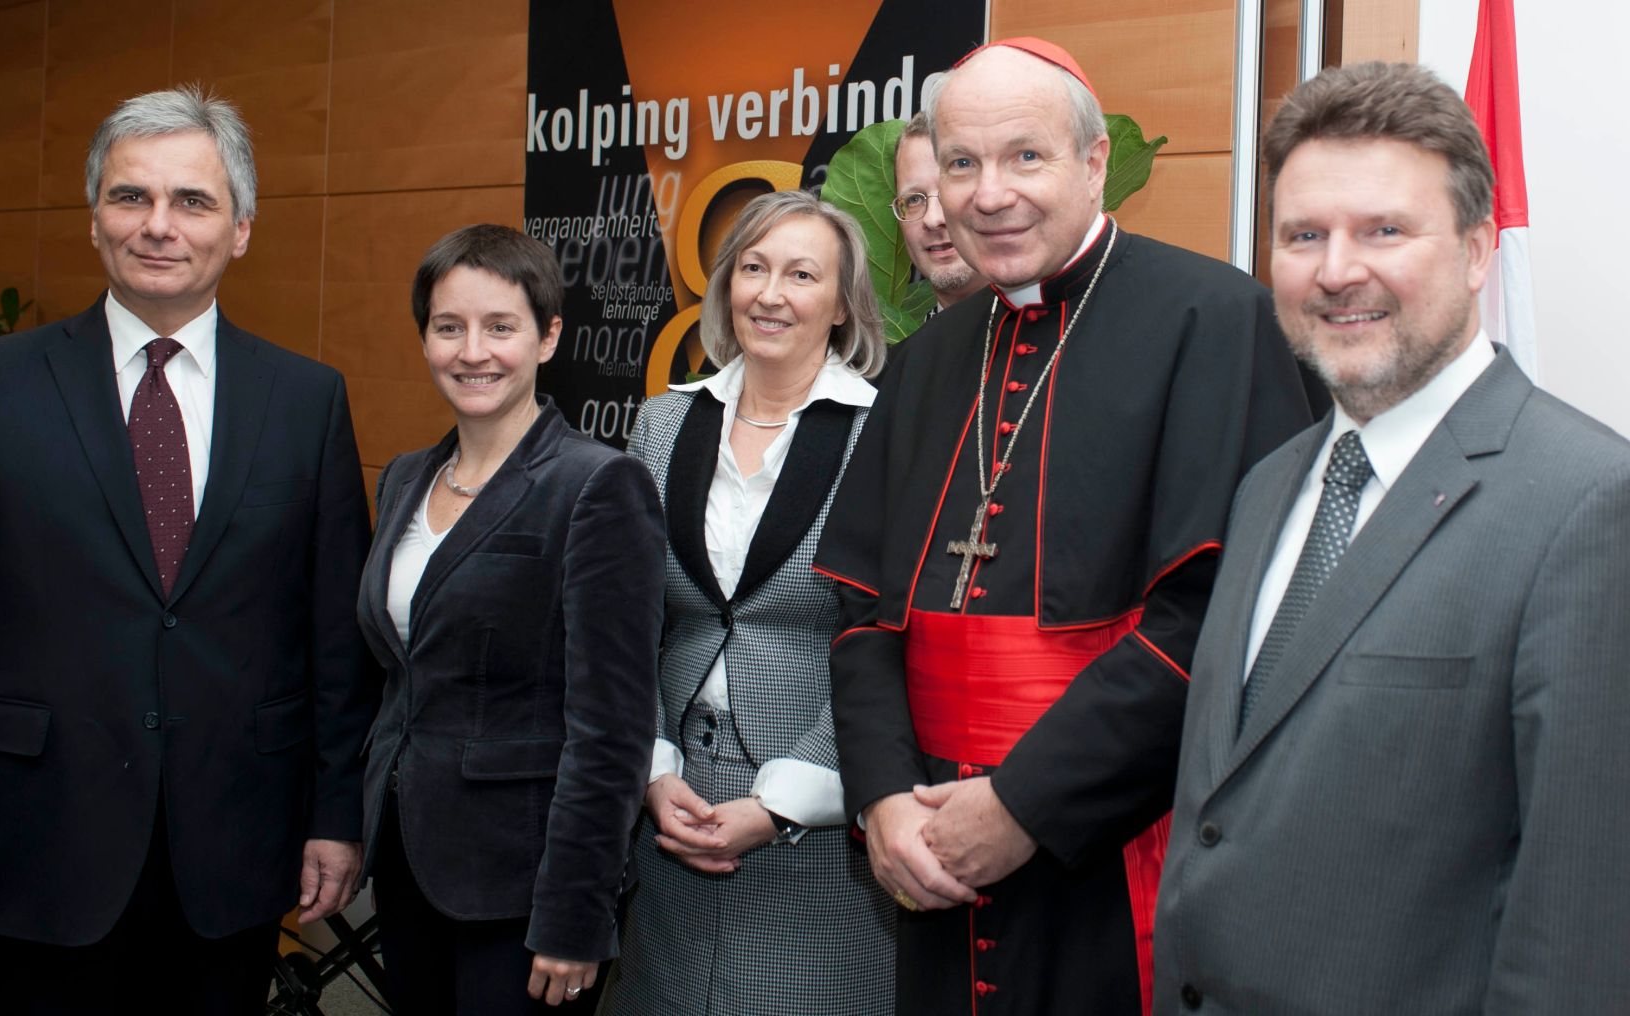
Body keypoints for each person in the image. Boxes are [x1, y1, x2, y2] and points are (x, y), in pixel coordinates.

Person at [813, 37, 1314, 1015]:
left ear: (1093, 165)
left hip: (1116, 845)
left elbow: (1222, 616)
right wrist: (881, 800)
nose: (988, 192)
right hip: (928, 850)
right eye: (960, 164)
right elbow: (863, 612)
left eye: (1024, 157)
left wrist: (1020, 804)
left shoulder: (1214, 319)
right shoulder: (927, 359)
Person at [0, 86, 376, 1013]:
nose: (159, 226)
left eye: (193, 201)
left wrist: (335, 818)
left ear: (243, 228)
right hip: (27, 853)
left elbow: (334, 640)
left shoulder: (308, 403)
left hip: (231, 854)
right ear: (93, 218)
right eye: (130, 197)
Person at [1153, 61, 1630, 1015]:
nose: (1336, 271)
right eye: (1304, 236)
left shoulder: (1587, 504)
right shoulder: (1268, 487)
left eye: (1384, 230)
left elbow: (1580, 917)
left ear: (1476, 250)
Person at [601, 190, 894, 1016]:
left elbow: (888, 637)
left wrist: (781, 803)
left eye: (803, 274)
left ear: (841, 304)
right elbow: (625, 626)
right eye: (754, 268)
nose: (771, 294)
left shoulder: (885, 434)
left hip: (817, 817)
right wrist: (652, 770)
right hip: (673, 804)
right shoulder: (663, 425)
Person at [358, 224, 664, 1014]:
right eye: (448, 327)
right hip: (407, 861)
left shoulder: (598, 485)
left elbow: (612, 728)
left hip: (524, 888)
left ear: (548, 335)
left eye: (501, 327)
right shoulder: (403, 479)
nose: (473, 351)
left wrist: (576, 911)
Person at [893, 112, 988, 313]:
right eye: (914, 199)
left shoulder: (1062, 334)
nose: (933, 219)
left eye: (949, 192)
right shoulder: (910, 345)